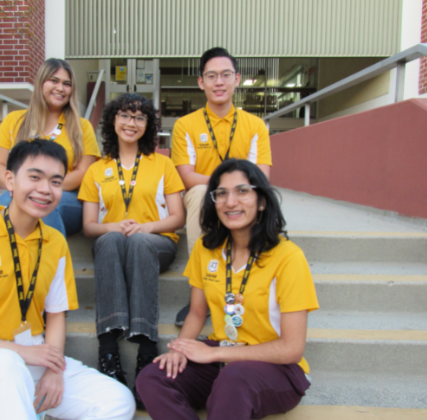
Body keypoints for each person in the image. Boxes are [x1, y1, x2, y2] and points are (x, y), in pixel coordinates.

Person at [0, 140, 135, 420]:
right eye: (34, 177)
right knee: (5, 363)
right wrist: (18, 351)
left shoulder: (55, 241)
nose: (45, 190)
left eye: (56, 182)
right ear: (10, 179)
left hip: (33, 355)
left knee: (118, 401)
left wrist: (54, 369)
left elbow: (56, 315)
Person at [136, 159, 319, 420]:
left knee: (235, 378)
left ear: (262, 200)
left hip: (275, 367)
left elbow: (291, 348)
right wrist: (180, 348)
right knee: (153, 377)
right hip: (222, 357)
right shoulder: (205, 247)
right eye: (221, 193)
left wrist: (215, 353)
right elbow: (197, 313)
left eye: (242, 191)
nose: (230, 202)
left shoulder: (288, 257)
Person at [78, 93, 185, 404]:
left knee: (137, 241)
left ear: (148, 125)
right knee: (110, 239)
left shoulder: (162, 164)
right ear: (113, 120)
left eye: (140, 118)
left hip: (156, 244)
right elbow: (88, 226)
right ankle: (108, 354)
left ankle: (146, 353)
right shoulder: (97, 169)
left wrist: (146, 227)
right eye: (125, 115)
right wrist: (114, 226)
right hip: (114, 246)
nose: (131, 123)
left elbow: (177, 218)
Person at [171, 47, 273, 326]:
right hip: (203, 195)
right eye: (211, 76)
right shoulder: (185, 125)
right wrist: (227, 186)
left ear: (237, 79)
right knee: (202, 192)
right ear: (200, 82)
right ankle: (200, 298)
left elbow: (261, 177)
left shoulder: (255, 125)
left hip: (244, 195)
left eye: (226, 75)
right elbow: (186, 176)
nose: (219, 82)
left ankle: (245, 290)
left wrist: (233, 190)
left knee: (255, 195)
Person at [0, 58, 100, 237]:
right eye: (54, 81)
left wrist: (43, 189)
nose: (60, 88)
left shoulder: (82, 126)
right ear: (41, 83)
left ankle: (51, 263)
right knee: (3, 203)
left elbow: (83, 173)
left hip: (66, 196)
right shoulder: (14, 120)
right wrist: (22, 188)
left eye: (67, 84)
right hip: (20, 192)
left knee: (44, 204)